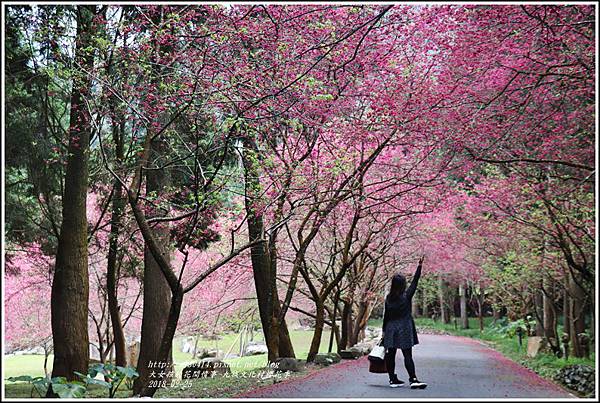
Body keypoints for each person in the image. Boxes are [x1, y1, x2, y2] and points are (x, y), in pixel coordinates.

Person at [382, 256, 427, 389]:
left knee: (391, 354)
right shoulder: (406, 296)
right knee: (407, 354)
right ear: (403, 285)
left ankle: (392, 380)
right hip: (404, 327)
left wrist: (383, 331)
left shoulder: (389, 298)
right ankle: (413, 379)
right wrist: (419, 266)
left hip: (390, 328)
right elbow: (415, 281)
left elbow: (386, 316)